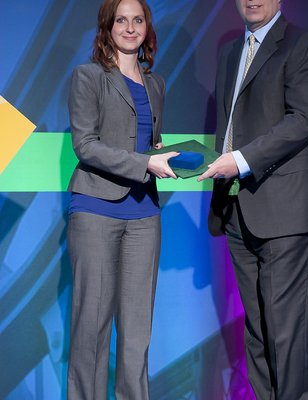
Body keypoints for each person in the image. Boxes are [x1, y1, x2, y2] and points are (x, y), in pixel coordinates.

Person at [198, 0, 308, 399]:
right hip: (238, 211)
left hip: (289, 212)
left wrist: (240, 161)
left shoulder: (303, 44)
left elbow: (301, 121)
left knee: (286, 335)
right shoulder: (231, 53)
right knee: (258, 334)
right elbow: (231, 128)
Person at [66, 0, 178, 398]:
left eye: (138, 20)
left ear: (147, 27)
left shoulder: (156, 83)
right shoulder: (88, 76)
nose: (130, 28)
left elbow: (148, 141)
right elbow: (85, 145)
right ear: (107, 27)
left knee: (137, 334)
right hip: (96, 210)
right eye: (121, 20)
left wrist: (165, 155)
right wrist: (145, 162)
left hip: (145, 214)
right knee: (92, 330)